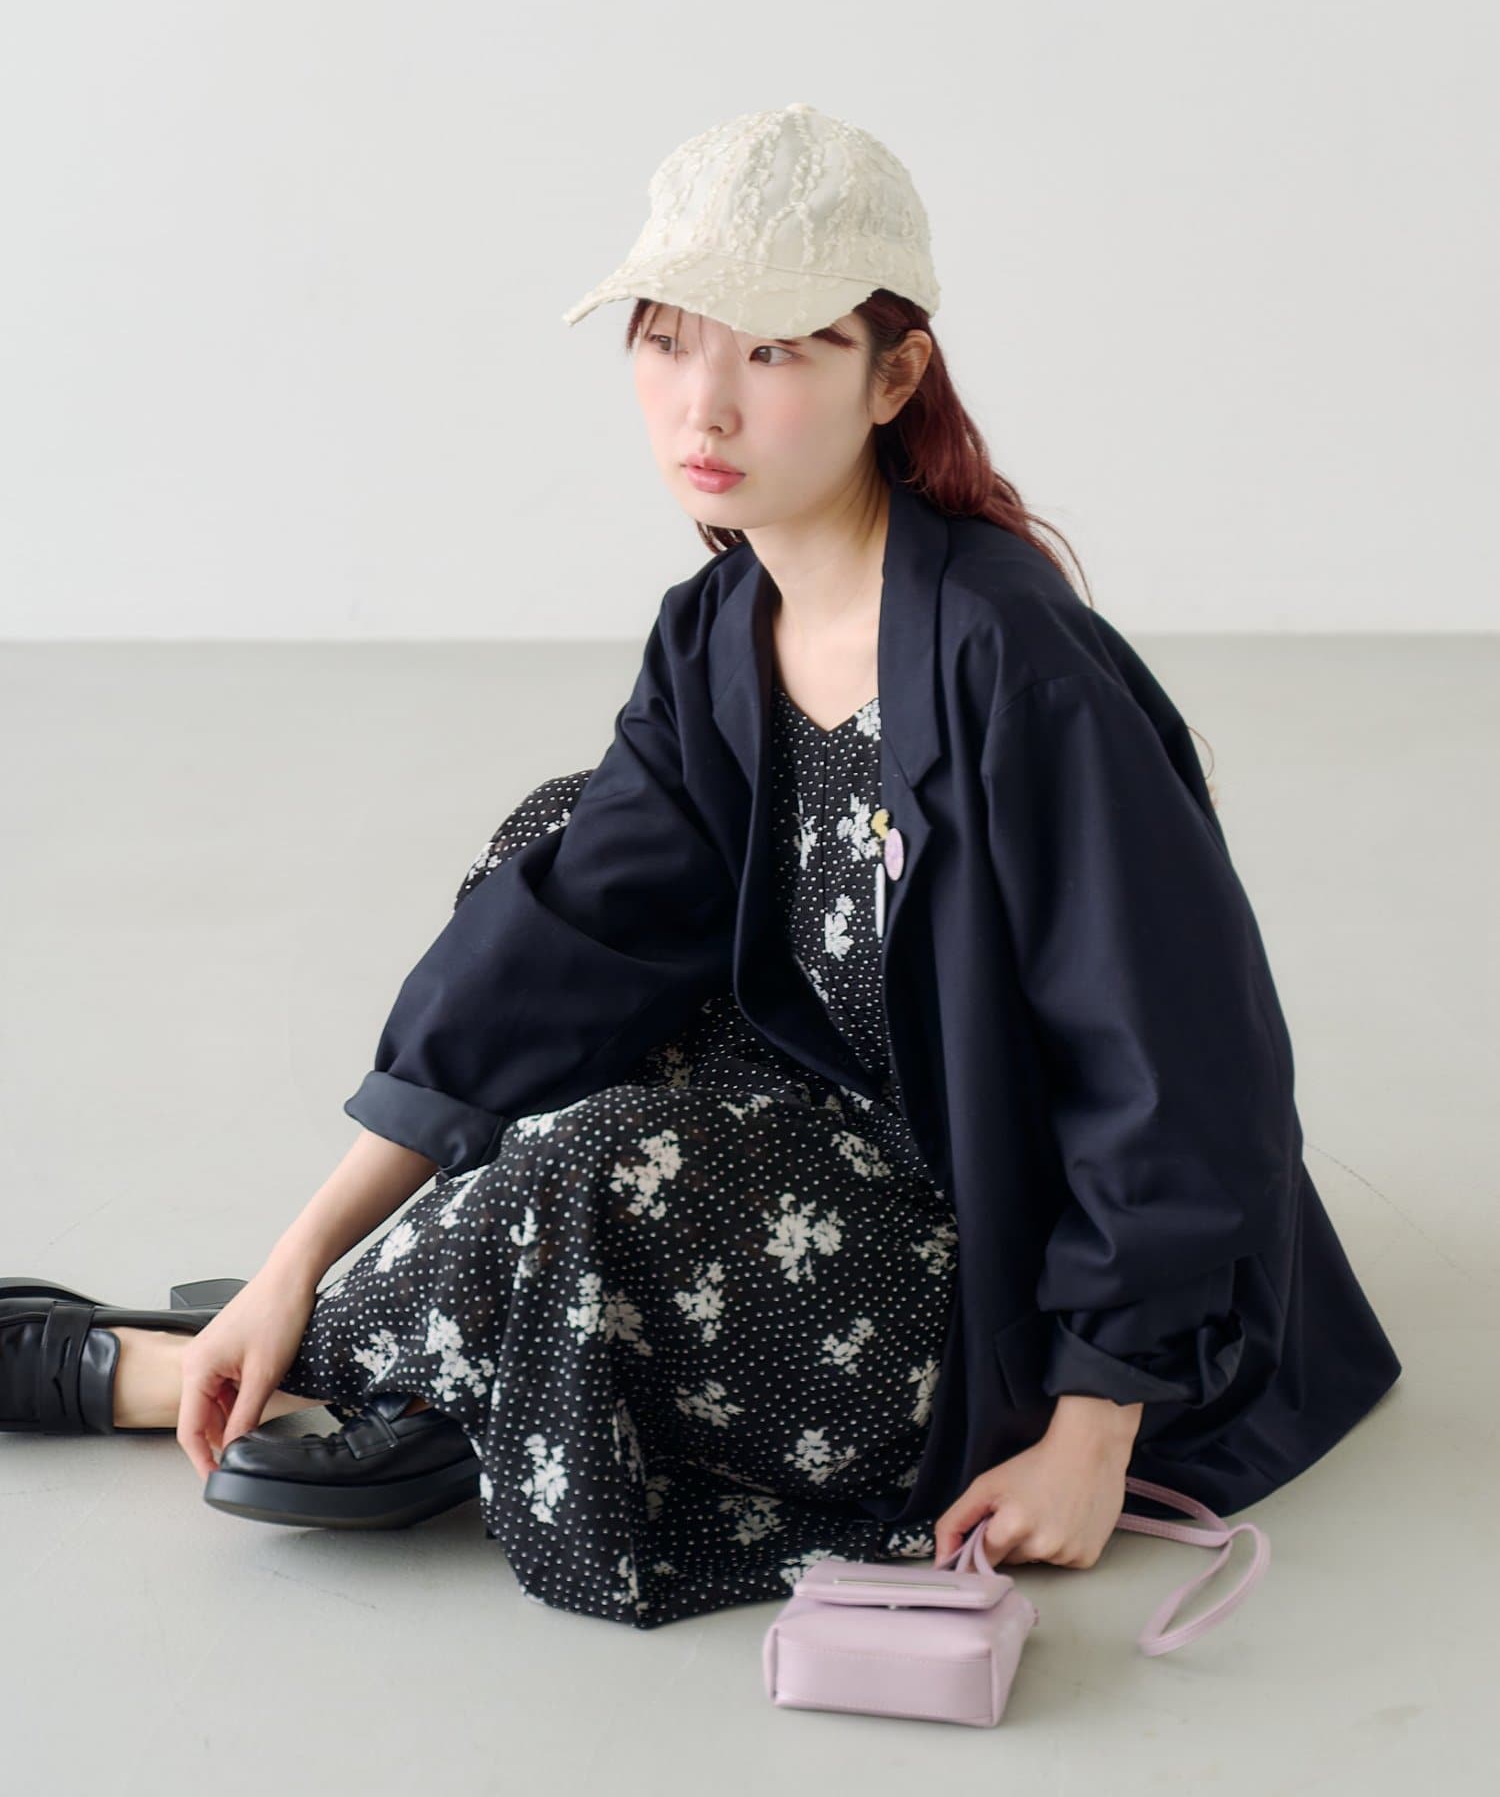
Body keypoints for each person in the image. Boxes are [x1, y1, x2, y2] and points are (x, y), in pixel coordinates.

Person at [2, 102, 1401, 1630]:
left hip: (998, 1253)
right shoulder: (720, 628)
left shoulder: (1016, 668)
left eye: (776, 351)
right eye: (667, 343)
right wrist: (294, 1255)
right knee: (552, 844)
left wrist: (1093, 1426)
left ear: (894, 377)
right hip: (848, 1104)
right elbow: (556, 945)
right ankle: (363, 1325)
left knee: (591, 1178)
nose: (704, 408)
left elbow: (1180, 1069)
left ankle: (178, 1375)